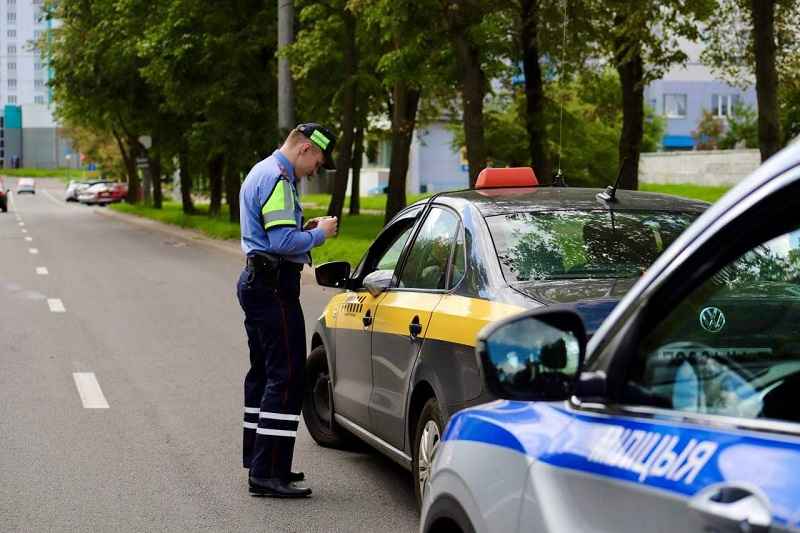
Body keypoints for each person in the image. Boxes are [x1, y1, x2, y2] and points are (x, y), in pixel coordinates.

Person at [237, 123, 339, 498]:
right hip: (274, 287)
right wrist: (320, 234)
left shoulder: (263, 170)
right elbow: (281, 241)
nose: (315, 170)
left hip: (260, 283)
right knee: (288, 376)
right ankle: (267, 473)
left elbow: (276, 233)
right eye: (317, 161)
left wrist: (303, 229)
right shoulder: (279, 178)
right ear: (305, 150)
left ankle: (263, 462)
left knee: (264, 374)